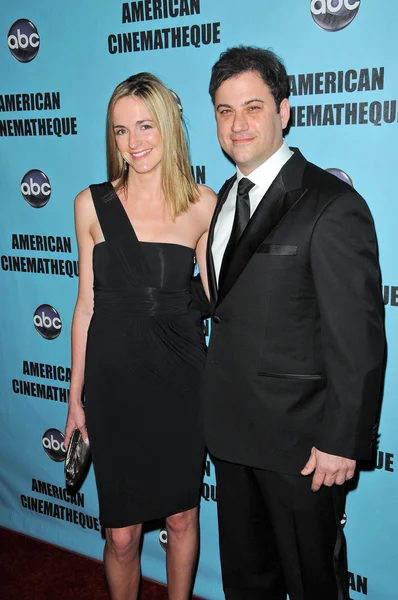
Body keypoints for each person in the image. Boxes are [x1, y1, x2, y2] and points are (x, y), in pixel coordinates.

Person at [203, 46, 385, 600]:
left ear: (284, 111)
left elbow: (357, 340)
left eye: (253, 107)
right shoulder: (225, 197)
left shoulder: (332, 204)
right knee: (247, 582)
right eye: (224, 110)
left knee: (313, 586)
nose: (237, 124)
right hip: (232, 440)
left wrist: (341, 441)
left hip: (302, 451)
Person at [64, 72, 216, 600]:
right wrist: (74, 398)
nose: (134, 142)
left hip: (181, 381)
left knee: (180, 517)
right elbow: (84, 308)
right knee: (123, 536)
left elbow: (218, 297)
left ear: (169, 127)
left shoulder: (203, 203)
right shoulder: (91, 203)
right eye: (120, 130)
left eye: (146, 125)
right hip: (114, 385)